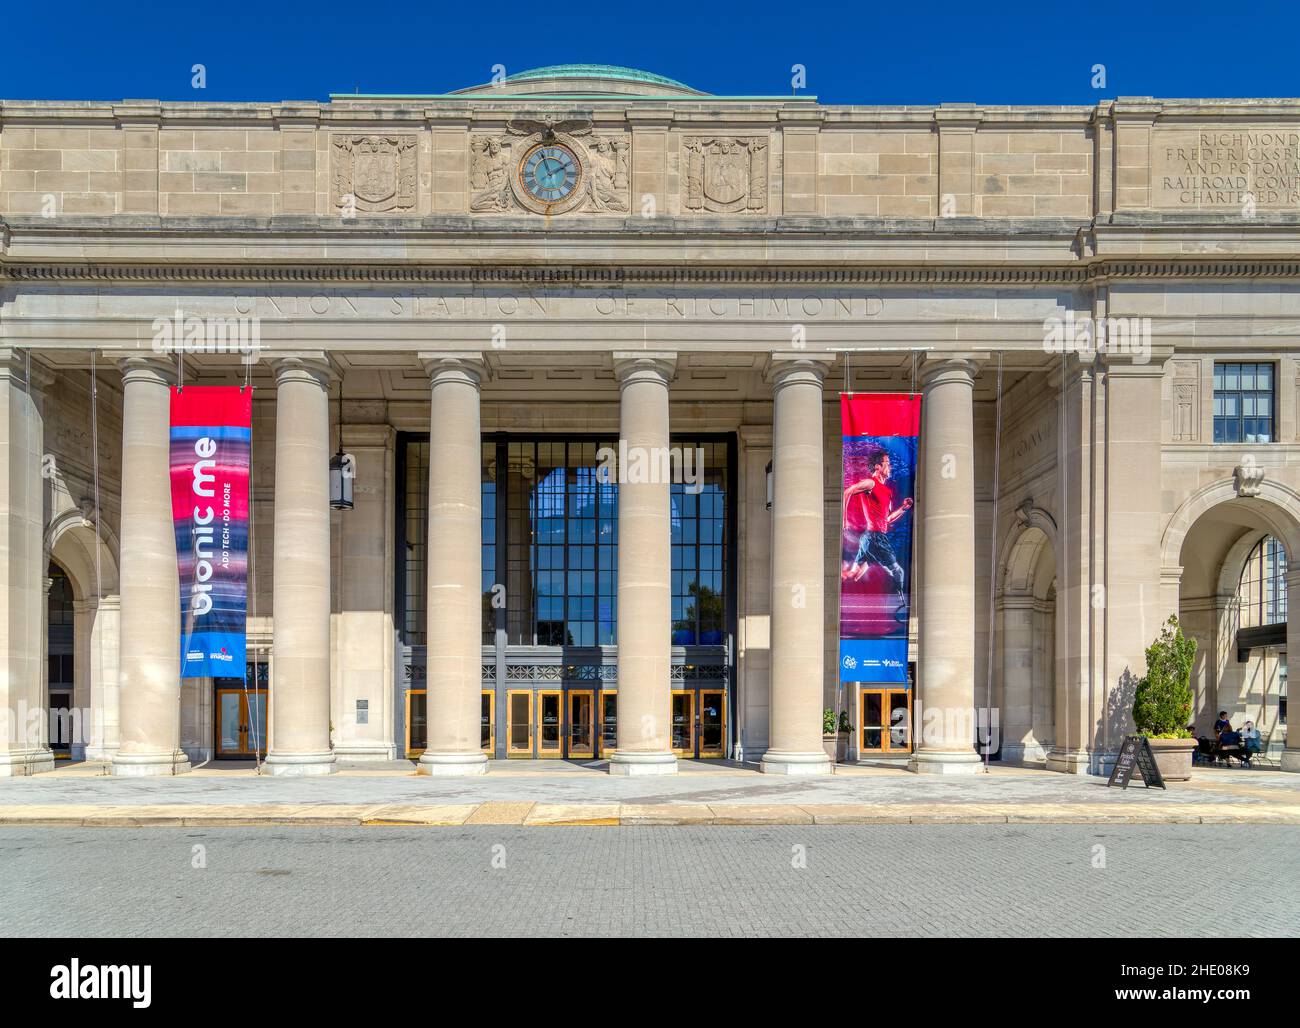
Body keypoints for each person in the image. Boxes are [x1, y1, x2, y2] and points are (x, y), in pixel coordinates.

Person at [842, 450, 914, 622]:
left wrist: (903, 509)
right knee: (898, 571)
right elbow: (847, 492)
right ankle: (901, 605)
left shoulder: (887, 492)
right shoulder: (871, 483)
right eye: (887, 463)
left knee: (853, 577)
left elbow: (886, 520)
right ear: (877, 466)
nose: (890, 466)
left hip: (870, 538)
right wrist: (845, 521)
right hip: (875, 538)